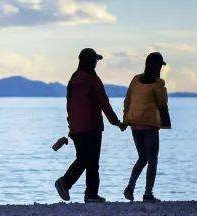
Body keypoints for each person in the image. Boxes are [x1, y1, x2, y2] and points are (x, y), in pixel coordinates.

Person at [55, 48, 126, 203]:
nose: (96, 63)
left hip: (76, 127)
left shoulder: (73, 79)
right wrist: (116, 122)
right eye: (95, 60)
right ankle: (69, 184)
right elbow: (104, 103)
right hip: (91, 127)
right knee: (91, 161)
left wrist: (71, 124)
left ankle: (88, 193)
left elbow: (70, 104)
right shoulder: (92, 80)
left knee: (85, 159)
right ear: (90, 61)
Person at [122, 52, 170, 202]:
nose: (161, 69)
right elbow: (162, 104)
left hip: (134, 124)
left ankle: (130, 187)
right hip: (149, 125)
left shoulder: (136, 80)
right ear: (156, 66)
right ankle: (148, 194)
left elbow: (127, 100)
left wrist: (125, 119)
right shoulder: (158, 84)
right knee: (152, 159)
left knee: (143, 157)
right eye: (160, 65)